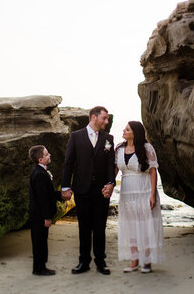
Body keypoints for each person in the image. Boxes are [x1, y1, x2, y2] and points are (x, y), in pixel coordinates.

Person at [61, 106, 115, 275]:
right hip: (82, 189)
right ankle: (83, 262)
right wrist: (65, 186)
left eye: (107, 119)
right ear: (93, 117)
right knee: (83, 228)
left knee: (100, 228)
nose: (106, 121)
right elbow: (69, 162)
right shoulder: (76, 137)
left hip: (101, 191)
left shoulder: (108, 138)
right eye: (104, 118)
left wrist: (111, 183)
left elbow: (110, 164)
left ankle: (101, 262)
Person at [111, 121, 164, 273]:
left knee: (145, 225)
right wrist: (109, 185)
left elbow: (153, 171)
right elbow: (115, 171)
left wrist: (152, 194)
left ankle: (146, 261)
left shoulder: (147, 148)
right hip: (127, 193)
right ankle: (134, 261)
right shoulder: (119, 149)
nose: (124, 130)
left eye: (127, 129)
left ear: (135, 133)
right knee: (131, 225)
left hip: (144, 190)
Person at [28, 145, 62, 276]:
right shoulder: (40, 174)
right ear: (40, 159)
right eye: (47, 154)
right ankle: (38, 268)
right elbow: (42, 198)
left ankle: (41, 266)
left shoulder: (40, 171)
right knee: (39, 242)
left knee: (41, 240)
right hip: (39, 216)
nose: (50, 155)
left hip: (39, 215)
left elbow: (49, 193)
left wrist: (61, 196)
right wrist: (47, 217)